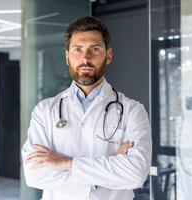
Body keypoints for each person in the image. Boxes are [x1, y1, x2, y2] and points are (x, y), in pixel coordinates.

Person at [21, 16, 152, 200]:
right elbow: (34, 174)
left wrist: (65, 163)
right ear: (67, 57)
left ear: (109, 55)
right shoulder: (45, 111)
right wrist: (110, 167)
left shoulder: (133, 111)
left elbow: (136, 174)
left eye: (95, 49)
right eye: (77, 49)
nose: (85, 57)